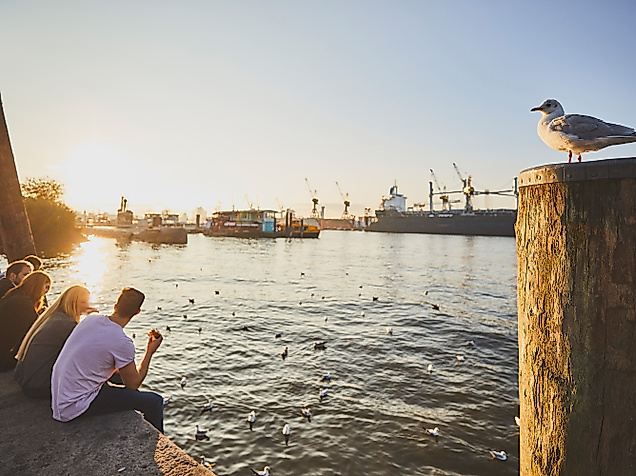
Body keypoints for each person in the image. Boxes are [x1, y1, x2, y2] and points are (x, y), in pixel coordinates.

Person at [51, 287, 164, 432]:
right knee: (155, 401)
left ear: (115, 306)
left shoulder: (91, 319)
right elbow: (133, 384)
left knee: (119, 376)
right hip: (74, 406)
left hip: (61, 395)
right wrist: (150, 352)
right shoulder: (122, 342)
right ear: (137, 312)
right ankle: (157, 447)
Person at [14, 285, 96, 398]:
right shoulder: (65, 323)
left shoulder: (54, 317)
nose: (87, 306)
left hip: (28, 380)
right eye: (83, 302)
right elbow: (90, 350)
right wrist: (94, 320)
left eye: (87, 302)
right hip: (41, 386)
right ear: (71, 302)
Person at [0, 270, 51, 371]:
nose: (46, 291)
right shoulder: (23, 302)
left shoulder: (15, 295)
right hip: (4, 357)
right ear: (37, 286)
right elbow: (36, 327)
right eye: (46, 287)